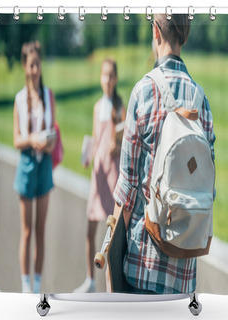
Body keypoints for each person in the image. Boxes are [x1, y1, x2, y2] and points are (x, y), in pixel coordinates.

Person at [112, 14, 216, 294]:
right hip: (184, 274)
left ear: (156, 31)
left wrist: (111, 251)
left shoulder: (144, 91)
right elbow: (209, 185)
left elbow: (128, 188)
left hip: (142, 265)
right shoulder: (201, 100)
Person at [74, 58, 126, 293]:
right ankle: (89, 280)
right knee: (90, 230)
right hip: (98, 176)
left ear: (115, 79)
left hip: (113, 176)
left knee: (111, 237)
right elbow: (96, 140)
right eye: (104, 75)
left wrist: (118, 145)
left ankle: (109, 283)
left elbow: (124, 140)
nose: (107, 80)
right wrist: (88, 156)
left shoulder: (120, 108)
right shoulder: (97, 107)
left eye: (111, 75)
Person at [13, 41, 56, 293]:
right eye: (31, 65)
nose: (35, 69)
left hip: (45, 166)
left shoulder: (49, 95)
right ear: (24, 66)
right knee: (27, 231)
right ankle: (25, 285)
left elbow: (55, 132)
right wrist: (34, 140)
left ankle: (37, 284)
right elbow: (17, 139)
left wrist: (48, 144)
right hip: (27, 166)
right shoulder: (19, 99)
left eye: (38, 64)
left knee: (41, 230)